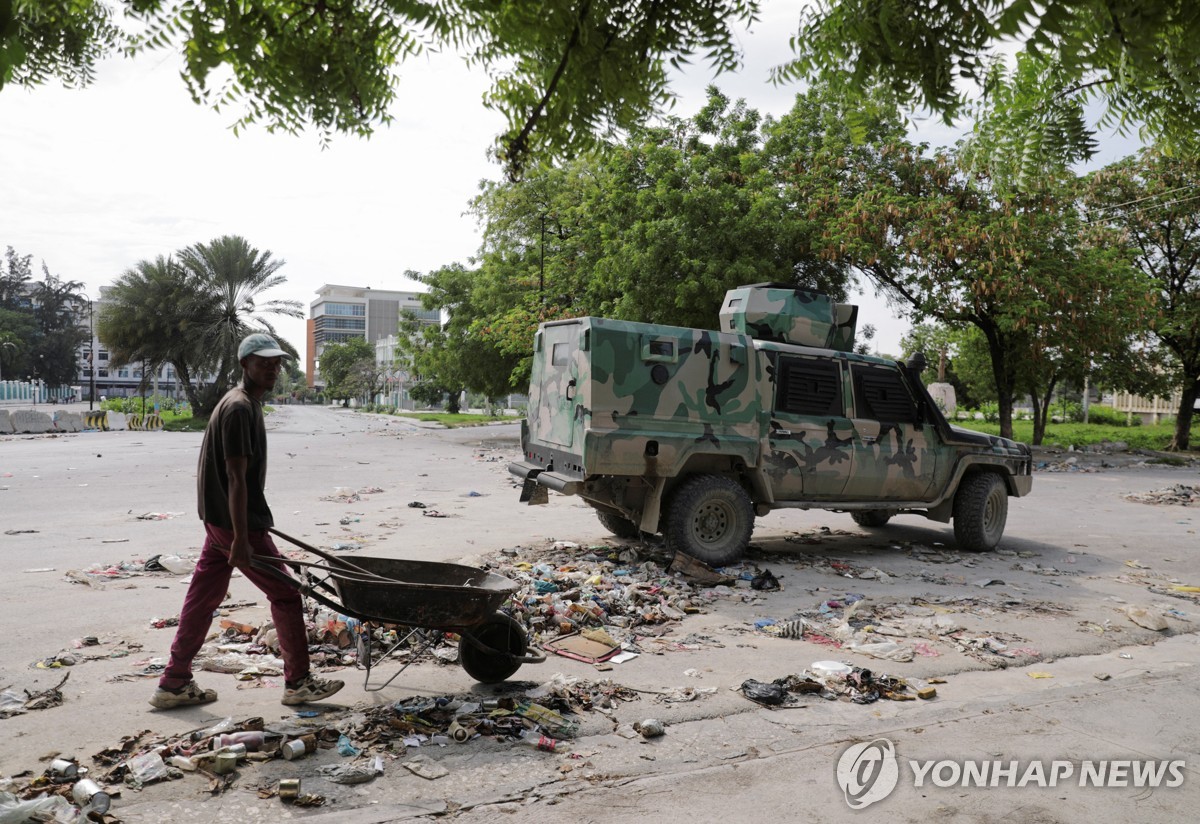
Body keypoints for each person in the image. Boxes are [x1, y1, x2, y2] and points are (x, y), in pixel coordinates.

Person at [150, 333, 344, 709]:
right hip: (236, 525)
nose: (271, 368)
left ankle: (173, 682)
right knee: (286, 594)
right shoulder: (239, 408)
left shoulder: (246, 403)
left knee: (202, 598)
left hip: (221, 521)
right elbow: (236, 478)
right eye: (263, 362)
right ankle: (299, 682)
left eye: (276, 363)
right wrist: (241, 539)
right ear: (245, 364)